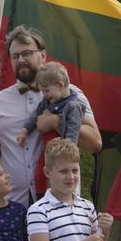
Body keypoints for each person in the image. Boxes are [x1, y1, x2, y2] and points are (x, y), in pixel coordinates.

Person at [0, 25, 102, 206]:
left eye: (27, 53)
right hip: (12, 203)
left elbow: (95, 143)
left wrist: (56, 122)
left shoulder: (70, 93)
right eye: (15, 56)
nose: (21, 60)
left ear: (42, 56)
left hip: (60, 203)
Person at [27, 138, 113, 241]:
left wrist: (106, 231)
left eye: (75, 170)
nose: (71, 177)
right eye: (63, 171)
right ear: (47, 172)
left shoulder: (88, 206)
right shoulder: (38, 210)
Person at [17, 62, 86, 194]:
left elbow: (73, 131)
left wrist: (67, 151)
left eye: (46, 90)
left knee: (59, 177)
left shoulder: (73, 106)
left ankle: (62, 199)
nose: (44, 95)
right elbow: (35, 114)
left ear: (60, 85)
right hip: (47, 148)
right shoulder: (48, 101)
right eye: (42, 91)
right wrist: (25, 131)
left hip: (62, 151)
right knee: (40, 176)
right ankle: (43, 199)